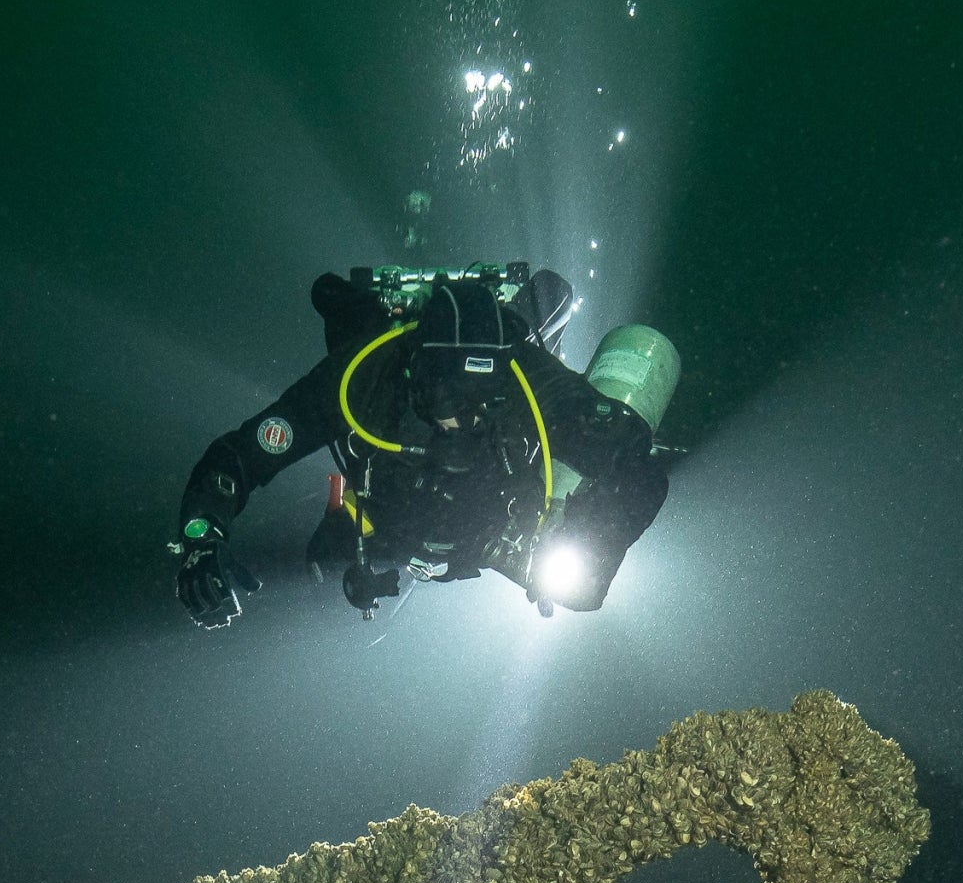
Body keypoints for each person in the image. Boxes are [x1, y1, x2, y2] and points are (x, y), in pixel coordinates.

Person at [169, 266, 671, 627]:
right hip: (380, 521)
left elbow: (639, 468)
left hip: (500, 534)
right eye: (453, 400)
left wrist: (591, 539)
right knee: (319, 567)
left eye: (484, 402)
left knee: (583, 593)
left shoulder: (531, 381)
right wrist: (201, 540)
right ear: (417, 376)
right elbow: (239, 457)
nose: (466, 421)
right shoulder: (359, 383)